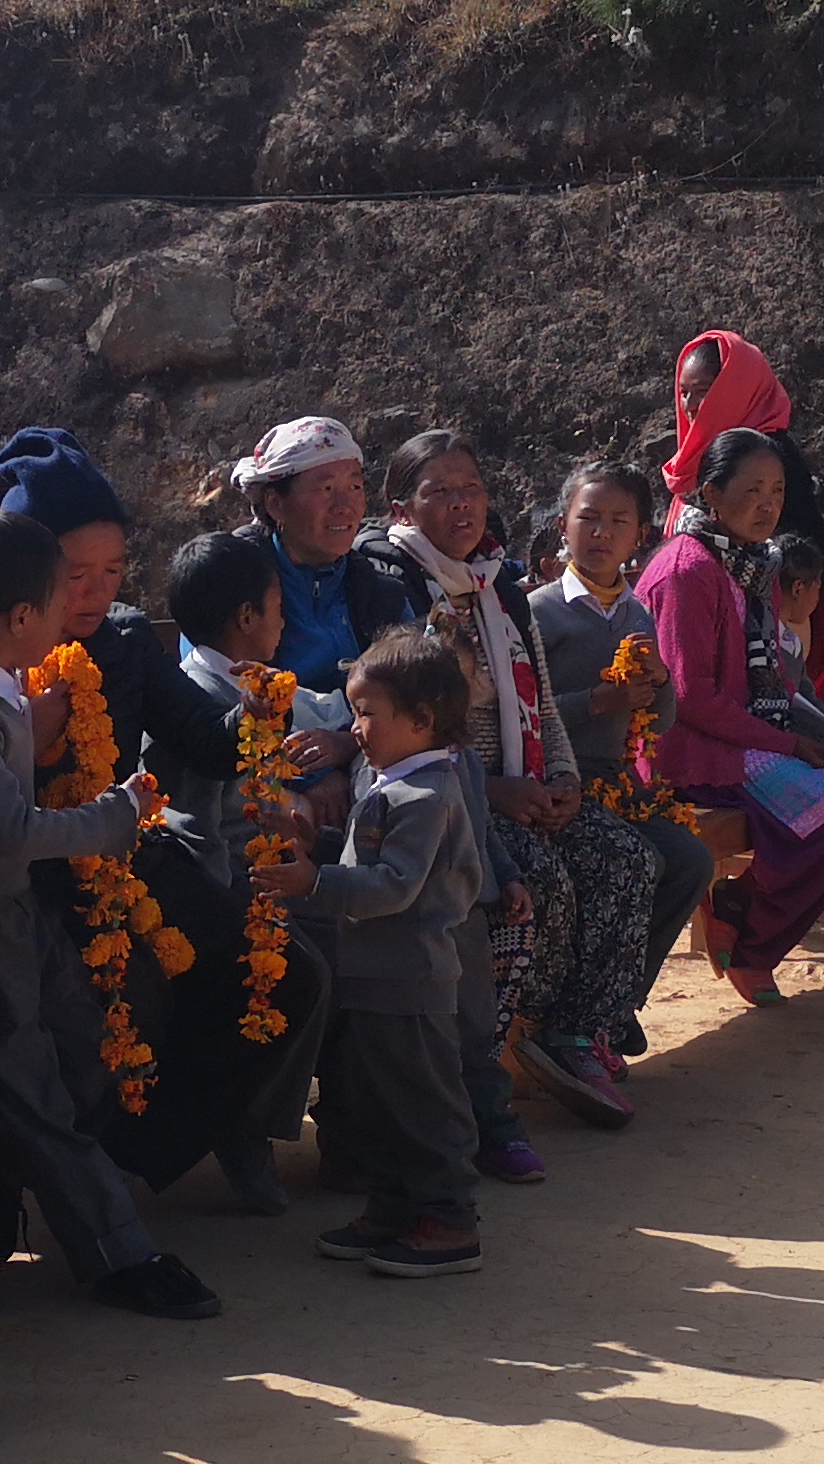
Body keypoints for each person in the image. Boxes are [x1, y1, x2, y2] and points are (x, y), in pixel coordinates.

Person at [0, 426, 333, 1210]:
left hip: (127, 854)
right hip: (28, 873)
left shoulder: (124, 641)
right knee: (137, 990)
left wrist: (255, 711)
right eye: (75, 574)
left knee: (290, 975)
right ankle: (74, 1172)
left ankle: (139, 1157)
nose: (95, 593)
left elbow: (205, 744)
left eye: (113, 571)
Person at [0, 509, 221, 1319]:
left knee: (83, 1051)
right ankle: (115, 1254)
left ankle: (20, 1168)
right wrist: (116, 815)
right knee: (26, 1089)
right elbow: (12, 829)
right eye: (57, 597)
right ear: (21, 619)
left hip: (12, 913)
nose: (77, 609)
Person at [369, 430, 663, 1136]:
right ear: (402, 509)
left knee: (629, 858)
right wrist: (497, 792)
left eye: (470, 488)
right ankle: (518, 1045)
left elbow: (539, 705)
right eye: (439, 492)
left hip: (527, 783)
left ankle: (575, 1031)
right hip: (458, 796)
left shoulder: (499, 588)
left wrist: (562, 777)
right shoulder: (397, 586)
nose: (461, 505)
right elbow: (415, 723)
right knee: (542, 880)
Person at [636, 428, 824, 1002]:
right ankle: (755, 949)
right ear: (711, 493)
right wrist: (791, 745)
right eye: (752, 490)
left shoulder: (756, 563)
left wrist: (821, 736)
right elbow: (691, 697)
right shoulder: (688, 570)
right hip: (694, 748)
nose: (767, 505)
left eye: (777, 491)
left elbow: (775, 679)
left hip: (754, 733)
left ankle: (739, 903)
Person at [287, 627, 490, 1278]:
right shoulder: (389, 782)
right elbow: (361, 862)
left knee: (424, 1104)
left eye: (368, 713)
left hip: (412, 982)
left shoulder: (428, 795)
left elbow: (394, 887)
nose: (356, 728)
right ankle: (394, 1208)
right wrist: (310, 845)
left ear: (422, 720)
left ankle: (449, 1220)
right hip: (376, 978)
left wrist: (313, 882)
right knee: (384, 1104)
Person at [159, 527, 342, 1211]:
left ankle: (351, 1120)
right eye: (277, 607)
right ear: (245, 617)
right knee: (306, 961)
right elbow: (194, 824)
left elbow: (277, 775)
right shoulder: (196, 699)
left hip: (264, 864)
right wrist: (242, 895)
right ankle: (248, 1123)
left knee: (357, 922)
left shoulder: (256, 685)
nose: (284, 622)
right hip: (218, 879)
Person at [529, 457, 713, 1029]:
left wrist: (659, 683)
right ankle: (587, 1010)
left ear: (641, 536)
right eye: (589, 518)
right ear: (563, 526)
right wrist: (596, 702)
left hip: (616, 782)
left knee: (691, 861)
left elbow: (660, 722)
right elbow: (527, 715)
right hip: (556, 780)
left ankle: (621, 999)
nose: (602, 533)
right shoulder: (539, 612)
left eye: (619, 522)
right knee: (636, 862)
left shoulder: (638, 614)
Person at [235, 415, 421, 690]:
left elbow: (414, 692)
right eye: (326, 489)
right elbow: (215, 689)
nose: (344, 506)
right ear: (275, 504)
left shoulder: (381, 595)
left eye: (354, 487)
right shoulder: (233, 584)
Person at [662, 330, 793, 528]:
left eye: (702, 392)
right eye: (684, 393)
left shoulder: (771, 457)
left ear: (735, 390)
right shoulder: (693, 461)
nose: (688, 406)